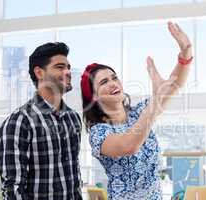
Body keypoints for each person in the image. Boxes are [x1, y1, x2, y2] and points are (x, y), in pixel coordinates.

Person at [80, 22, 193, 200]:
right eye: (104, 82)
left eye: (114, 77)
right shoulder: (98, 132)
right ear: (94, 97)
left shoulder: (139, 113)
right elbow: (129, 146)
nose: (113, 83)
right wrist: (156, 99)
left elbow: (173, 86)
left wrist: (185, 54)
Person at [0, 42, 83, 200]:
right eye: (59, 67)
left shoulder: (73, 118)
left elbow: (74, 178)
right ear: (39, 73)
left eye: (68, 67)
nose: (68, 72)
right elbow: (12, 189)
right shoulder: (19, 121)